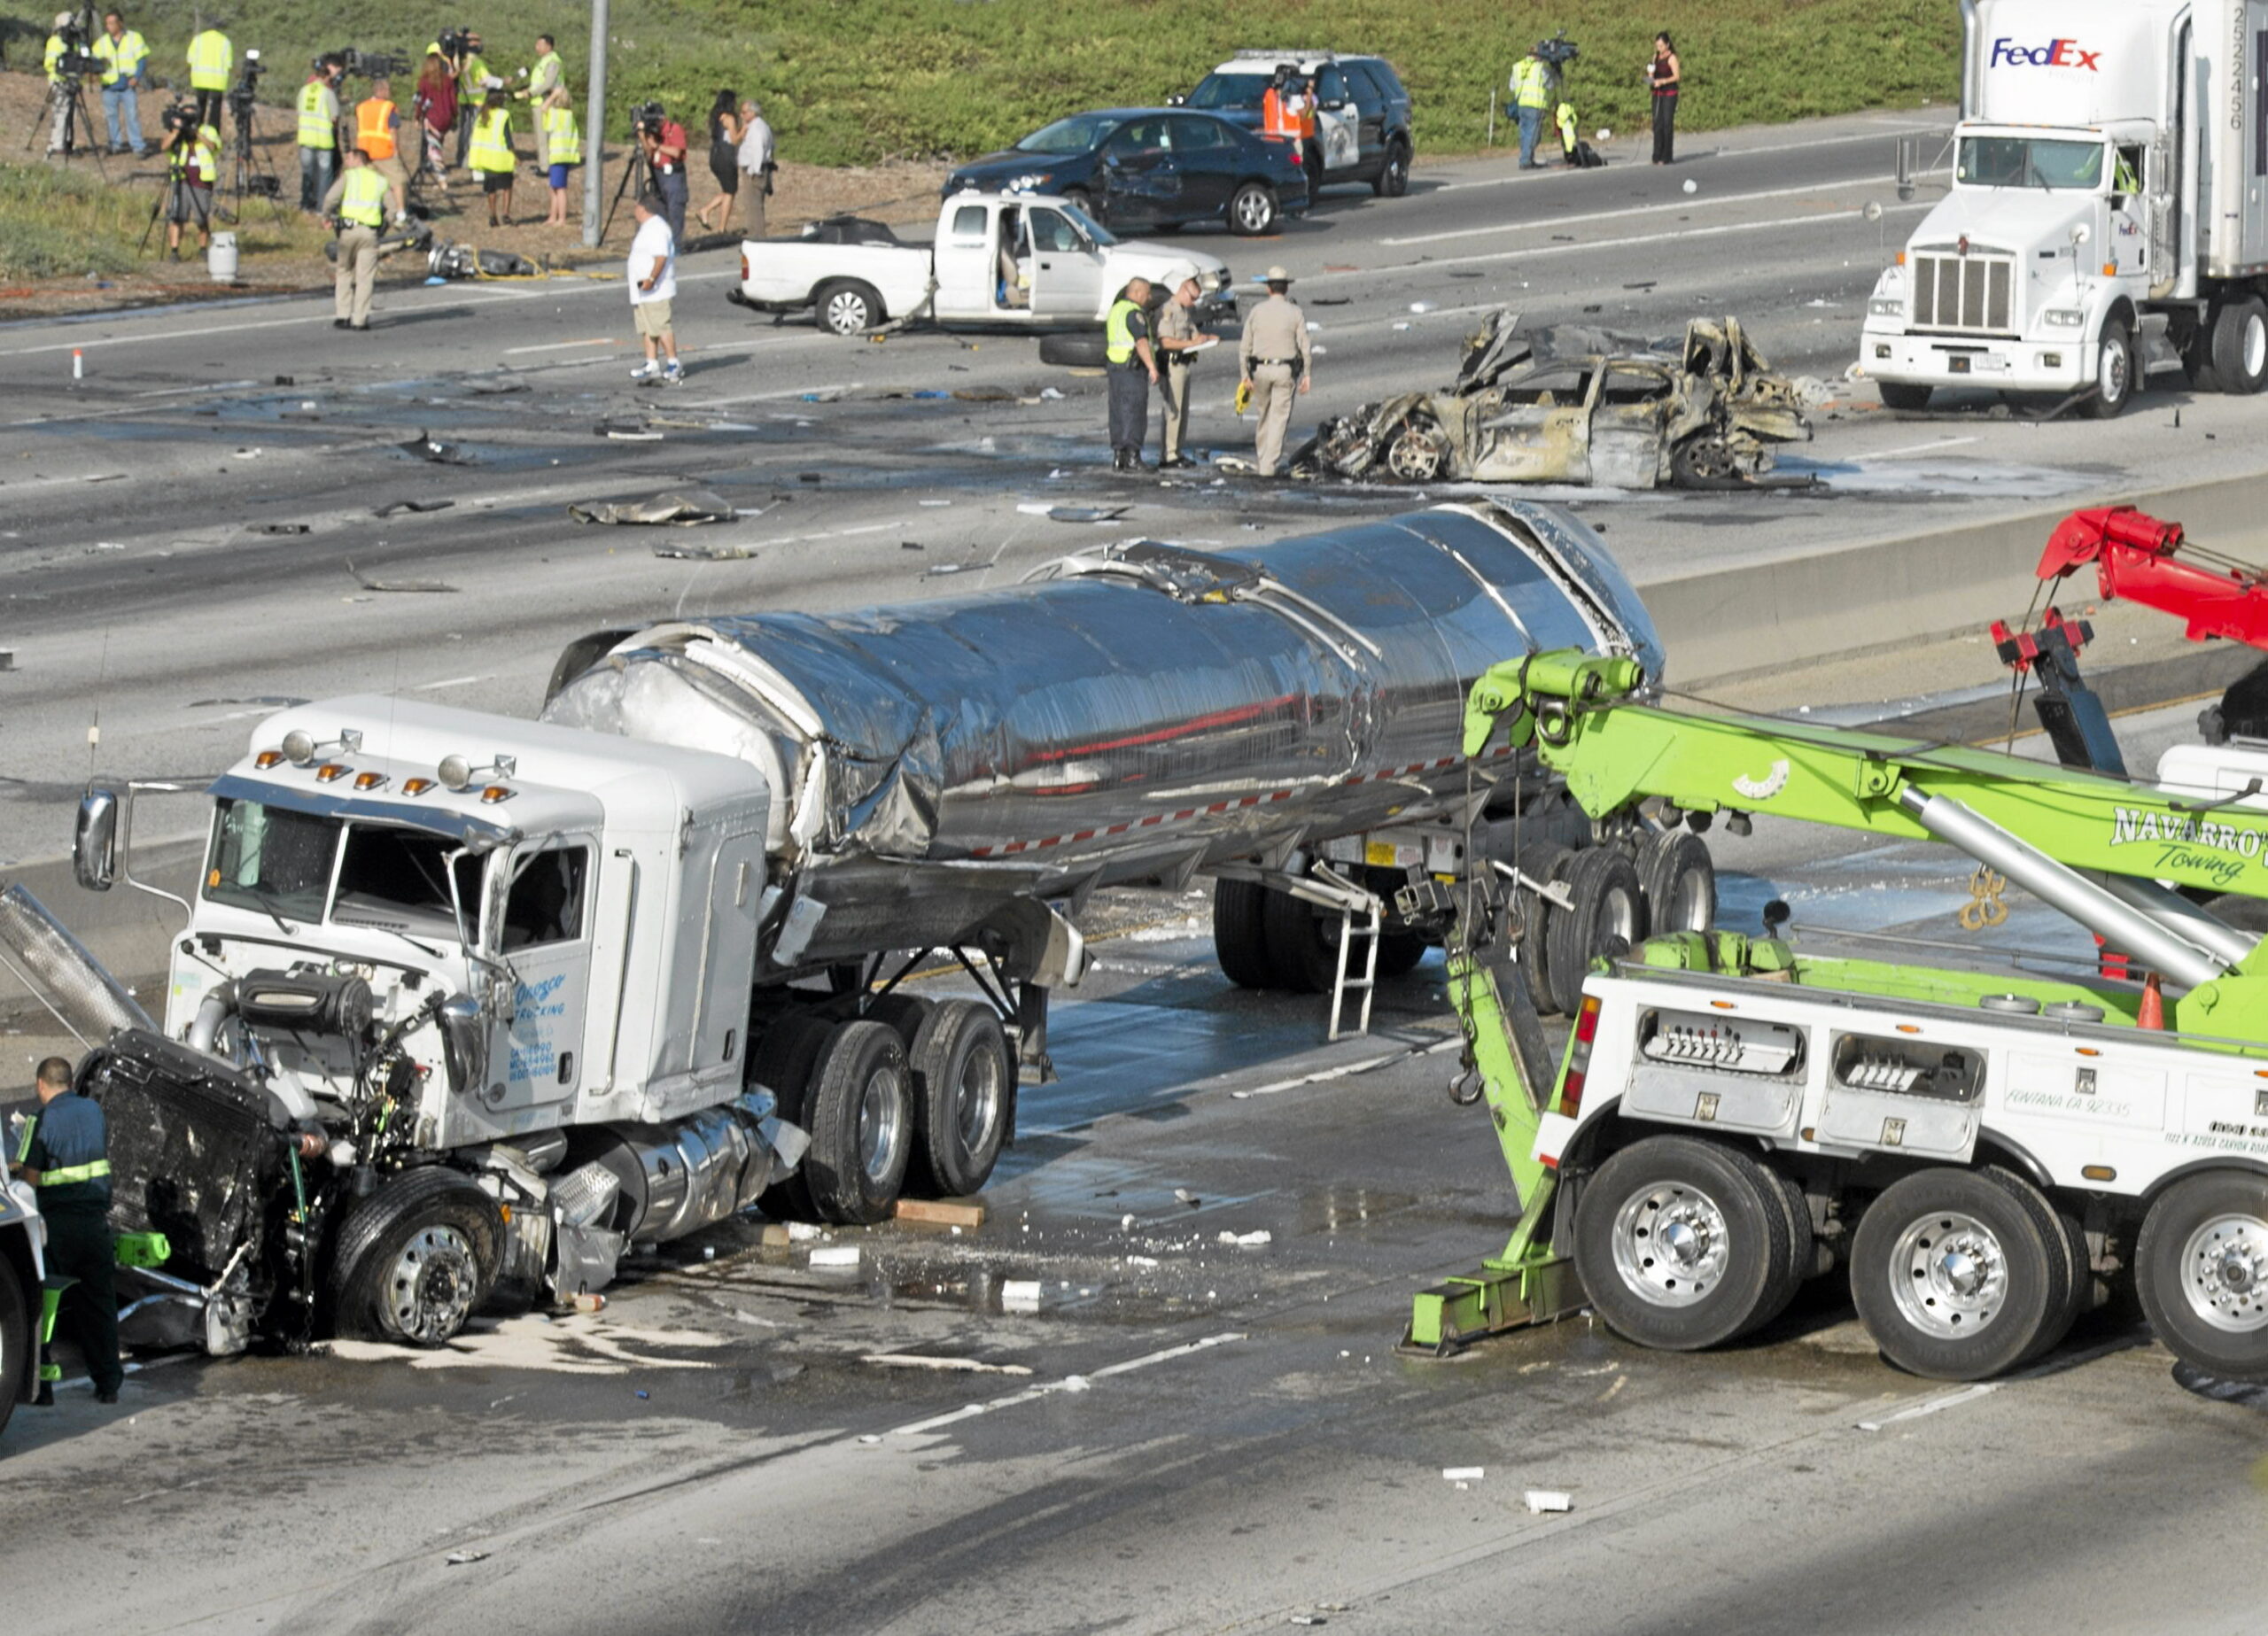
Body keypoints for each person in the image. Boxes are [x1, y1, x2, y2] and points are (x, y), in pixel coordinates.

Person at [10, 1058, 122, 1405]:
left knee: (46, 1308)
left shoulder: (41, 1119)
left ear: (41, 1085)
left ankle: (42, 1390)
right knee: (99, 1305)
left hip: (57, 1227)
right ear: (71, 1083)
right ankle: (108, 1384)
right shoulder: (93, 1112)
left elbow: (29, 1180)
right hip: (94, 1224)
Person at [1238, 266, 1312, 477]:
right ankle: (1269, 465)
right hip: (1284, 371)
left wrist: (1245, 374)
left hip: (1260, 370)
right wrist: (1307, 373)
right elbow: (1304, 345)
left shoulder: (1257, 311)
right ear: (1286, 288)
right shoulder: (1295, 312)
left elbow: (1245, 346)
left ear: (1269, 289)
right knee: (1279, 418)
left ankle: (1263, 459)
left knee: (1263, 415)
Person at [1152, 264, 1212, 469]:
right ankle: (1168, 455)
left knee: (1183, 411)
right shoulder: (1168, 310)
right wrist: (1191, 344)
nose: (1194, 302)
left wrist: (1206, 339)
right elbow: (1166, 342)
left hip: (1184, 364)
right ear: (1182, 287)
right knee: (1173, 411)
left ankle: (1176, 450)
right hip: (1172, 364)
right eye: (1192, 297)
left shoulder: (1183, 311)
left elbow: (1193, 333)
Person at [322, 146, 387, 330]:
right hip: (370, 233)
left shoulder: (349, 177)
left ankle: (343, 315)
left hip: (348, 231)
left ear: (359, 160)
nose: (346, 163)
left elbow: (330, 198)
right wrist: (383, 226)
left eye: (349, 159)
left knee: (344, 270)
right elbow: (391, 208)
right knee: (365, 277)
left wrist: (326, 216)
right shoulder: (380, 180)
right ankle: (360, 319)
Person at [627, 191, 683, 385]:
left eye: (636, 207)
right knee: (647, 328)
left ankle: (673, 362)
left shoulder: (658, 228)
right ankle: (651, 364)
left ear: (643, 209)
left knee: (660, 326)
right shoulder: (647, 227)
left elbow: (661, 257)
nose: (634, 211)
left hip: (657, 288)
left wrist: (651, 279)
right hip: (643, 290)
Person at [1104, 275, 1158, 471]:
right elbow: (1141, 342)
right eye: (1146, 293)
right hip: (1132, 369)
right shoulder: (1134, 313)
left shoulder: (1116, 309)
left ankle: (1119, 457)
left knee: (1117, 412)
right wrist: (1152, 366)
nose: (1149, 297)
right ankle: (1133, 457)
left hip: (1115, 368)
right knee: (1134, 412)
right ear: (1136, 293)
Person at [163, 107, 221, 260]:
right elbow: (164, 146)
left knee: (201, 217)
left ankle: (202, 248)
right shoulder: (178, 132)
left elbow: (213, 146)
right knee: (176, 217)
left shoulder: (208, 130)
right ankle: (174, 251)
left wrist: (196, 133)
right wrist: (176, 132)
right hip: (180, 180)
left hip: (201, 181)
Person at [93, 11, 151, 157]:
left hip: (127, 85)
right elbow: (94, 61)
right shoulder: (102, 42)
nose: (109, 27)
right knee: (111, 116)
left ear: (120, 23)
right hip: (109, 86)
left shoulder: (134, 38)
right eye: (107, 23)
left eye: (112, 23)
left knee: (132, 116)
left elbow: (142, 59)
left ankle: (138, 146)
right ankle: (114, 144)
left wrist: (137, 77)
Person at [355, 77, 408, 223]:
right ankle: (400, 211)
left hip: (364, 151)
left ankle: (371, 209)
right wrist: (396, 150)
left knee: (370, 183)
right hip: (384, 151)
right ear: (382, 91)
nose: (390, 92)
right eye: (388, 89)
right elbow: (393, 130)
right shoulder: (388, 107)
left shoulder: (362, 107)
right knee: (397, 181)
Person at [297, 54, 342, 213]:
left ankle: (305, 204)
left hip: (306, 138)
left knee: (307, 173)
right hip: (323, 140)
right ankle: (321, 207)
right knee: (325, 174)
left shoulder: (304, 91)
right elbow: (334, 117)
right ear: (326, 78)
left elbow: (299, 111)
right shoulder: (327, 93)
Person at [467, 89, 517, 226]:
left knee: (491, 189)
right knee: (507, 187)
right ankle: (506, 214)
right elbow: (508, 138)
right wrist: (515, 155)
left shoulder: (482, 114)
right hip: (501, 159)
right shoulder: (503, 115)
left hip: (486, 159)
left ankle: (492, 216)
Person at [696, 88, 742, 233]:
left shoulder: (716, 117)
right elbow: (734, 140)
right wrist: (745, 130)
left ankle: (706, 210)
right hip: (725, 155)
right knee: (730, 192)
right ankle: (721, 227)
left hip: (715, 155)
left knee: (729, 190)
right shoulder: (729, 118)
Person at [643, 105, 690, 245]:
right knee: (659, 210)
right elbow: (648, 154)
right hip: (658, 174)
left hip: (673, 174)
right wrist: (643, 136)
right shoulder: (652, 133)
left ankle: (675, 246)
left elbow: (676, 152)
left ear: (662, 118)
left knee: (675, 210)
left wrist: (657, 145)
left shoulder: (674, 129)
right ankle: (661, 244)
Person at [413, 50, 456, 197]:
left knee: (434, 150)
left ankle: (442, 178)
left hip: (432, 118)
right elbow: (453, 101)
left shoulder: (424, 81)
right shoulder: (448, 80)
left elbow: (420, 102)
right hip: (446, 117)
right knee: (437, 145)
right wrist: (454, 116)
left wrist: (417, 117)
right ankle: (438, 175)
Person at [518, 33, 563, 167]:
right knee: (541, 136)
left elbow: (548, 83)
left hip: (545, 102)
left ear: (548, 46)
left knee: (543, 137)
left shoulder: (552, 61)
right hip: (540, 101)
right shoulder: (543, 61)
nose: (536, 47)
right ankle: (545, 164)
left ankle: (545, 167)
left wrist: (530, 92)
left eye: (539, 45)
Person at [1509, 44, 1556, 170]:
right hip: (1535, 105)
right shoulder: (1540, 68)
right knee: (1534, 135)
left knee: (1525, 133)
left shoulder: (1517, 66)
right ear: (1539, 56)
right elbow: (1550, 85)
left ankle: (1527, 158)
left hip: (1522, 105)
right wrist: (1553, 73)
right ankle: (1525, 160)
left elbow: (1512, 87)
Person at [43, 13, 82, 158]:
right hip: (59, 81)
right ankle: (57, 143)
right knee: (61, 111)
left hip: (71, 81)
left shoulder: (74, 42)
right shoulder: (55, 41)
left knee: (72, 112)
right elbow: (50, 63)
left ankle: (68, 141)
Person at [540, 86, 581, 228]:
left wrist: (552, 96)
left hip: (558, 154)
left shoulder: (556, 113)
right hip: (565, 153)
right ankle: (553, 216)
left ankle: (561, 218)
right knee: (554, 187)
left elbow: (543, 108)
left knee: (560, 188)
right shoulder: (569, 115)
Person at [735, 97, 775, 239]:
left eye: (744, 112)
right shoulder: (760, 126)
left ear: (753, 112)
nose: (742, 115)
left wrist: (754, 171)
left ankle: (757, 237)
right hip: (758, 168)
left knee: (754, 207)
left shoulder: (757, 129)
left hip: (754, 171)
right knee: (754, 205)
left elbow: (758, 151)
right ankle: (756, 236)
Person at [186, 19, 231, 128]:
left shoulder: (198, 39)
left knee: (200, 106)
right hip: (218, 81)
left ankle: (197, 130)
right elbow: (228, 63)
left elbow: (190, 59)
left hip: (200, 79)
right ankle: (213, 133)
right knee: (215, 109)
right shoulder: (225, 41)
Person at [453, 30, 490, 166]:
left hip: (464, 100)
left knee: (464, 130)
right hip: (477, 101)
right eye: (476, 40)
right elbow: (486, 80)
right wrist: (503, 81)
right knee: (474, 131)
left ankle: (461, 158)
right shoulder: (476, 62)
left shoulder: (460, 60)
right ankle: (471, 160)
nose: (479, 43)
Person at [1647, 34, 1682, 166]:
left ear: (1667, 45)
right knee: (1657, 123)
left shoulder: (1672, 58)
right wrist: (1651, 77)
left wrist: (1664, 81)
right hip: (1657, 93)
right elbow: (1652, 72)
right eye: (1657, 46)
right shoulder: (1655, 57)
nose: (1659, 48)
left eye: (1661, 46)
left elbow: (1677, 76)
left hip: (1669, 93)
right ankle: (1657, 155)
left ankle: (1667, 155)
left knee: (1667, 123)